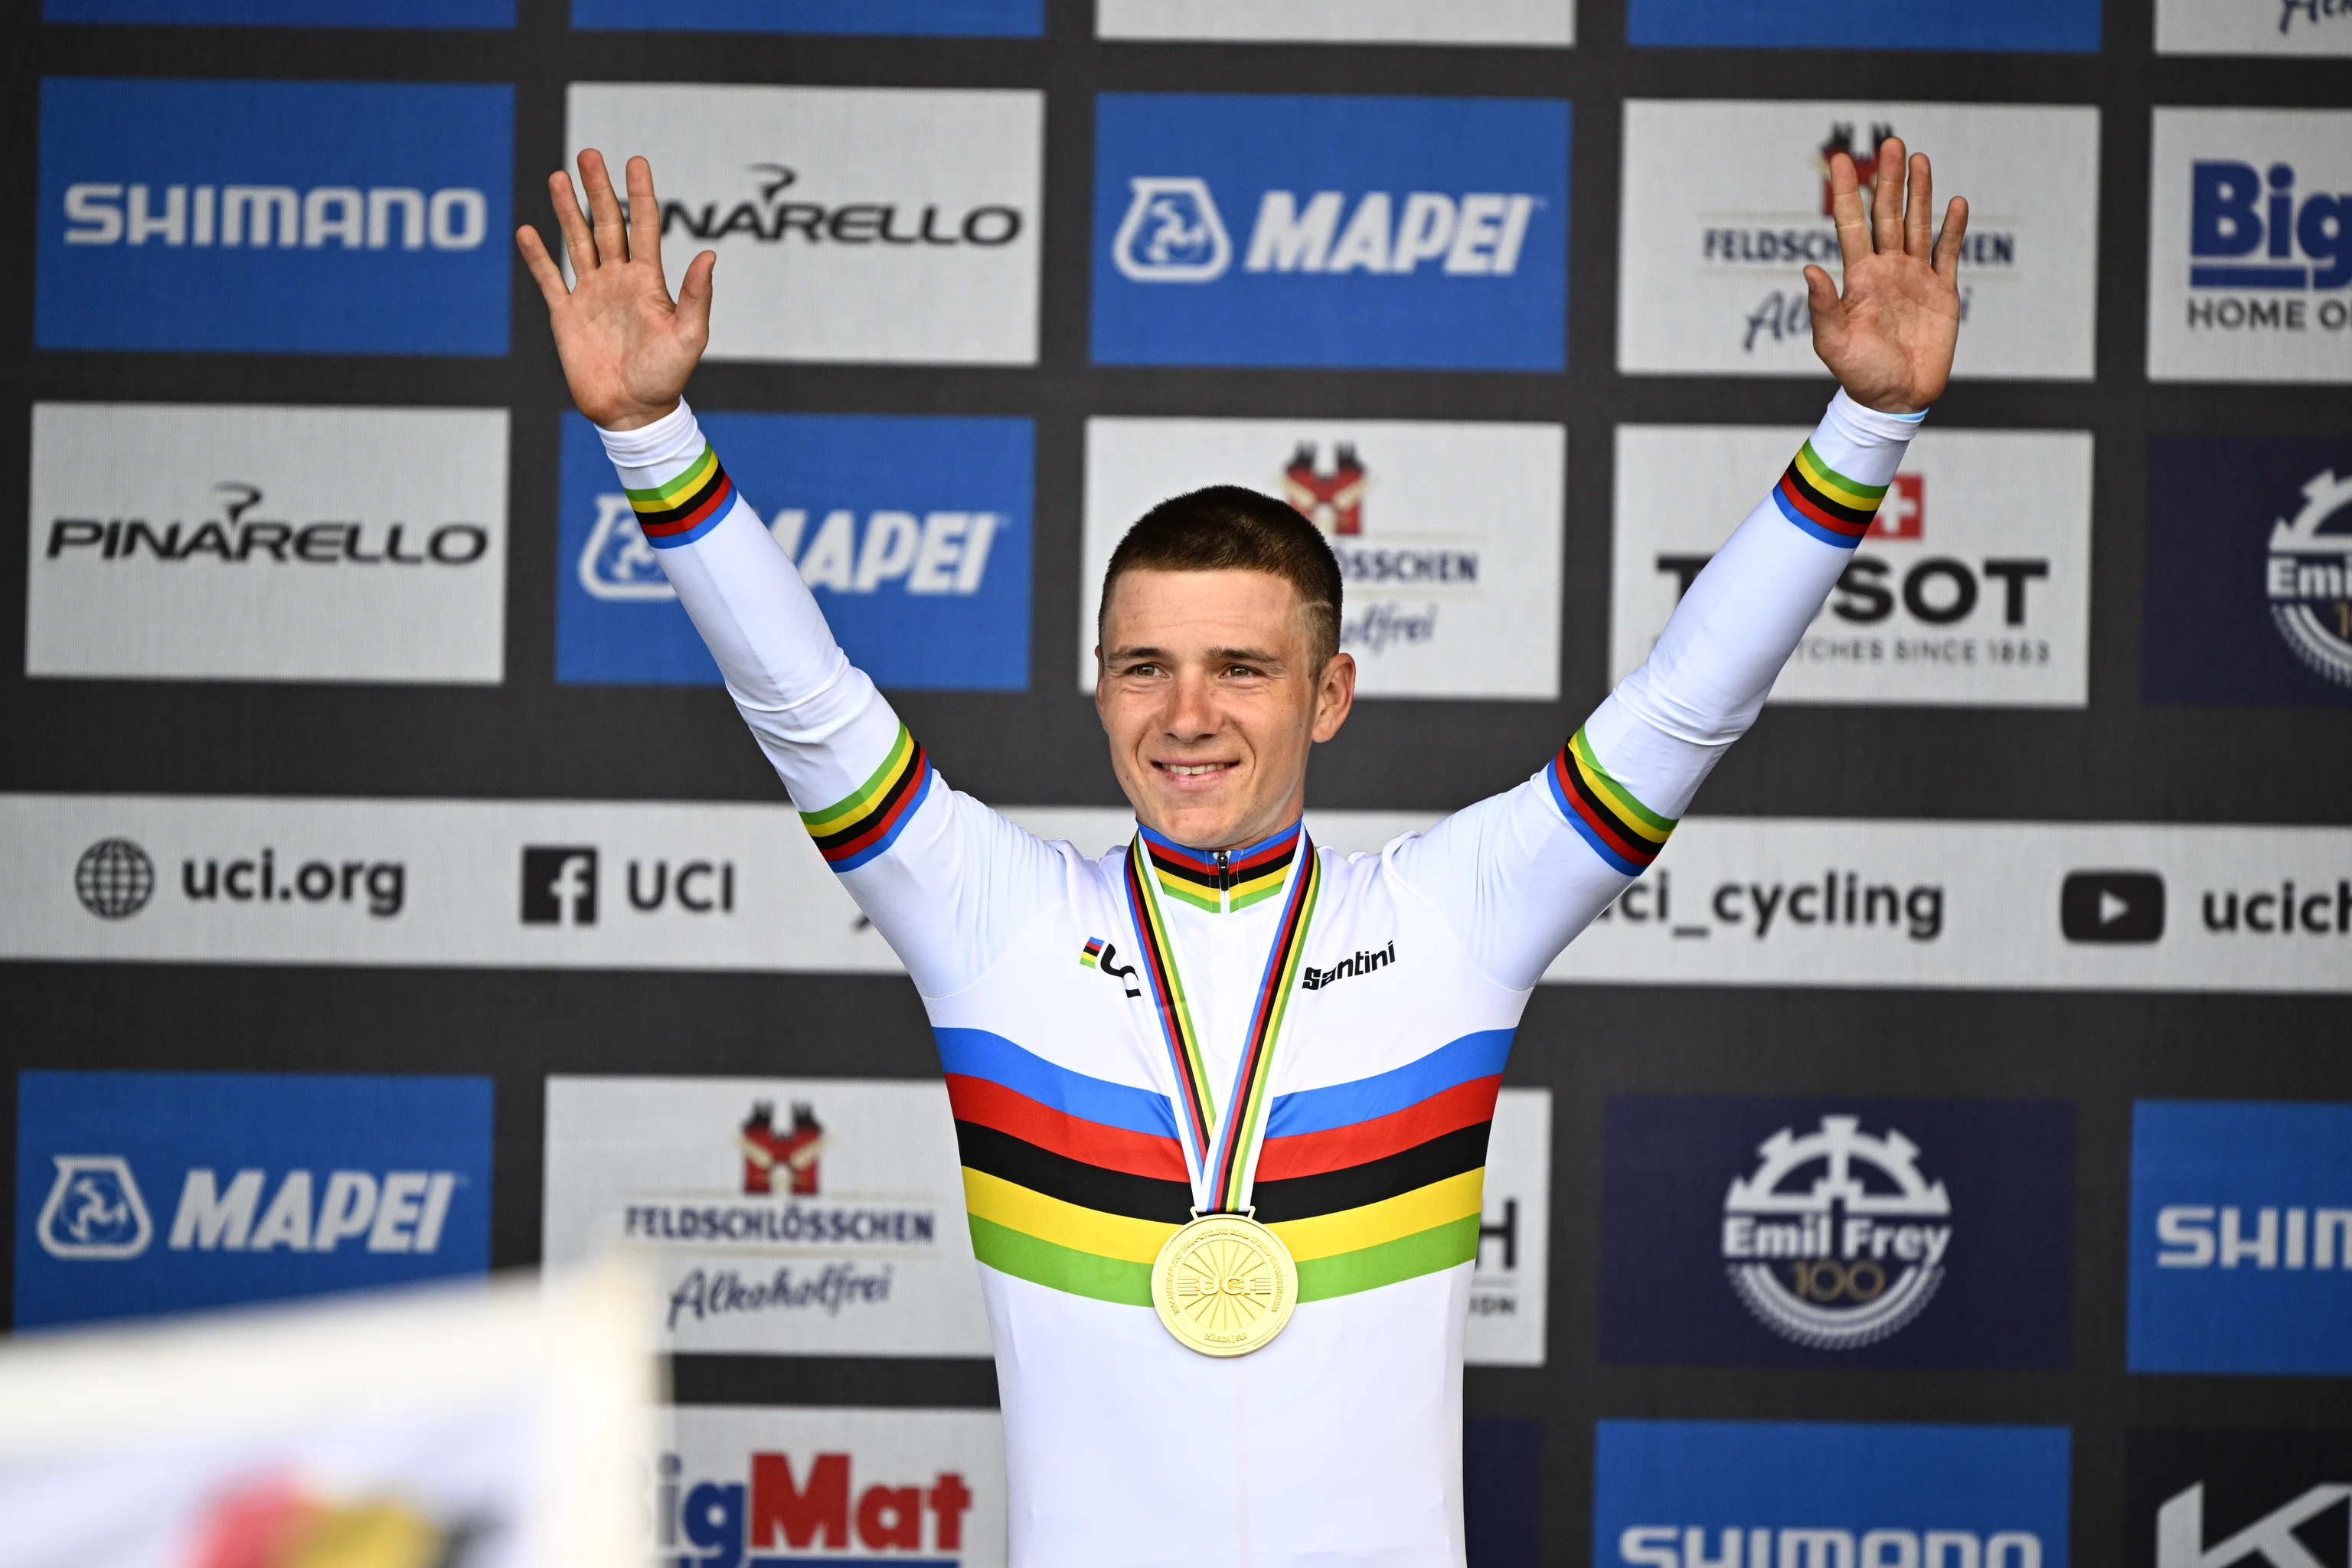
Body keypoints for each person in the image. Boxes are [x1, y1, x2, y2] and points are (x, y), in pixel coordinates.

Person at [517, 139, 1967, 1567]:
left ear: (1328, 696)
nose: (1188, 717)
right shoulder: (992, 921)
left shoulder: (1457, 915)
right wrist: (651, 440)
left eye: (1242, 671)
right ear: (1098, 687)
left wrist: (1862, 432)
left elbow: (1683, 706)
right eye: (1144, 667)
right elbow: (805, 705)